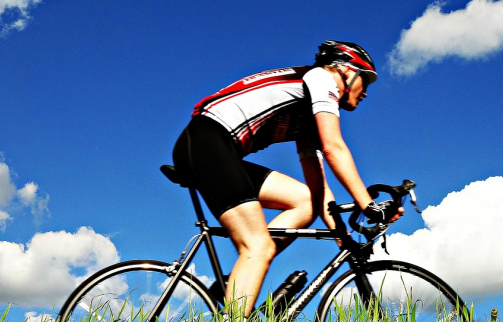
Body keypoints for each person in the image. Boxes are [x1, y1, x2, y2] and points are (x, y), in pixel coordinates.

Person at [170, 40, 402, 317]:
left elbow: (318, 189)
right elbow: (334, 147)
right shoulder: (322, 78)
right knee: (258, 246)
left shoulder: (307, 115)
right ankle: (249, 266)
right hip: (206, 141)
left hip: (215, 148)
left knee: (304, 201)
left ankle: (236, 279)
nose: (366, 92)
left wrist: (341, 233)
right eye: (365, 81)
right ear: (346, 71)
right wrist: (368, 205)